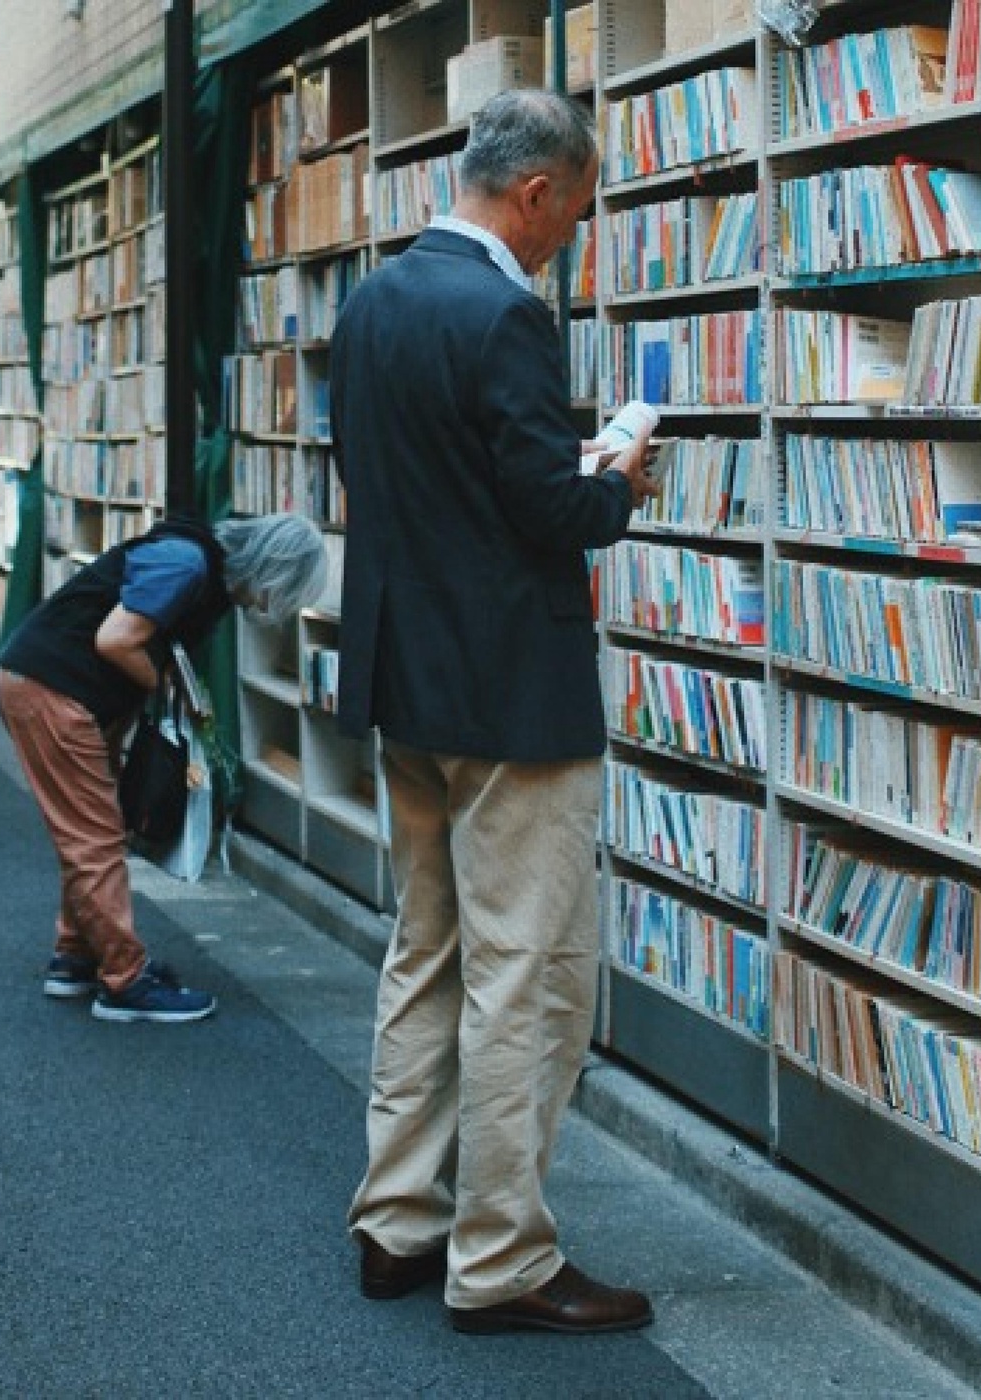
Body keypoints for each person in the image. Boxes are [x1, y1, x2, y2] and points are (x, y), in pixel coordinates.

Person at [331, 89, 659, 1334]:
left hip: (405, 677)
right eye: (573, 210)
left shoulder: (371, 302)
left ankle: (396, 1220)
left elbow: (407, 483)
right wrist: (616, 479)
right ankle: (503, 1257)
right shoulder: (507, 316)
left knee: (424, 953)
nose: (569, 232)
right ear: (534, 192)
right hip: (510, 697)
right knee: (525, 974)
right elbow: (543, 511)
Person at [0, 512, 328, 1024]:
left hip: (55, 689)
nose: (269, 607)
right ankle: (125, 982)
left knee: (89, 831)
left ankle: (77, 955)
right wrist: (164, 685)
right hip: (55, 693)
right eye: (279, 592)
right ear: (271, 570)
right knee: (94, 839)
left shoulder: (193, 563)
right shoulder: (184, 563)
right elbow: (117, 639)